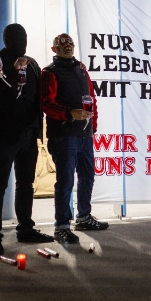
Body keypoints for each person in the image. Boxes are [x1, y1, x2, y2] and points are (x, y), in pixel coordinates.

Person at [0, 24, 52, 256]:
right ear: (6, 39)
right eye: (16, 37)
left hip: (28, 132)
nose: (21, 41)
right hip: (4, 132)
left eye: (23, 37)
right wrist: (12, 71)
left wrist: (39, 128)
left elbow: (38, 96)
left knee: (26, 184)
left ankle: (25, 227)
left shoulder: (31, 62)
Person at [41, 33, 108, 244]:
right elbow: (46, 104)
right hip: (64, 135)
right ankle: (61, 226)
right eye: (61, 44)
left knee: (88, 176)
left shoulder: (81, 69)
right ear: (54, 50)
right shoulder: (49, 72)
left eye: (70, 43)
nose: (67, 46)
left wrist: (93, 127)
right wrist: (70, 113)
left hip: (84, 135)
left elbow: (92, 97)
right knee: (66, 181)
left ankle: (84, 216)